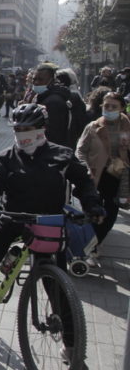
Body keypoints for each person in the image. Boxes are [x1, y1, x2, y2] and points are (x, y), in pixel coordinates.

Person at [0, 104, 104, 343]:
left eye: (27, 128)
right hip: (11, 219)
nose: (22, 134)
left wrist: (92, 205)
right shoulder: (5, 157)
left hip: (48, 224)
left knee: (58, 288)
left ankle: (72, 347)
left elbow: (84, 183)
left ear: (41, 128)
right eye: (18, 129)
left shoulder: (62, 155)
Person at [75, 92, 130, 260]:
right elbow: (80, 151)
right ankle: (88, 245)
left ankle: (94, 244)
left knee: (111, 213)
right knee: (91, 211)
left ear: (122, 108)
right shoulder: (93, 127)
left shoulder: (128, 128)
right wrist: (85, 168)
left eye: (114, 106)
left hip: (117, 177)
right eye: (106, 106)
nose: (109, 109)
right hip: (94, 176)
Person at [31, 63, 78, 149]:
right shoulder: (43, 97)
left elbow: (54, 134)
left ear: (51, 80)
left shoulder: (53, 102)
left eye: (41, 79)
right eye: (34, 79)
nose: (36, 82)